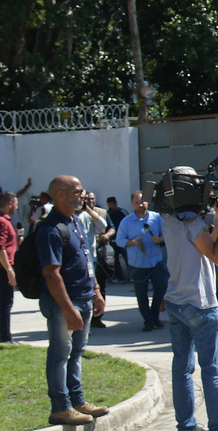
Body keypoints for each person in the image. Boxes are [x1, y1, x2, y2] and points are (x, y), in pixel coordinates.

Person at [159, 167, 218, 431]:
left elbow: (206, 240)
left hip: (176, 303)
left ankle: (186, 426)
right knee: (212, 371)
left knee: (181, 368)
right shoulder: (192, 224)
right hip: (201, 306)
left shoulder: (169, 220)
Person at [37, 175, 109, 426]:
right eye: (78, 192)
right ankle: (60, 407)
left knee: (76, 352)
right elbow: (51, 273)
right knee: (60, 354)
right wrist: (68, 309)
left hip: (84, 297)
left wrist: (96, 290)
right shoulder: (51, 229)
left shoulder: (76, 221)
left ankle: (77, 401)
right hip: (63, 303)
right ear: (60, 194)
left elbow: (86, 260)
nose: (83, 195)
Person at [115, 189, 168, 331]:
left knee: (161, 288)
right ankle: (149, 320)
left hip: (156, 261)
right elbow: (119, 240)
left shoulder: (156, 218)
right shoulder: (126, 221)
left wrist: (160, 239)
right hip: (138, 263)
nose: (140, 205)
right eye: (136, 202)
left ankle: (155, 314)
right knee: (141, 294)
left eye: (142, 201)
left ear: (147, 202)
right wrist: (132, 242)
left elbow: (167, 235)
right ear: (132, 204)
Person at [76, 192, 112, 329]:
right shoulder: (71, 217)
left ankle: (96, 318)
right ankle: (84, 320)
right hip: (78, 261)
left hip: (92, 259)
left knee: (98, 289)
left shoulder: (89, 215)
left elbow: (103, 225)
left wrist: (89, 210)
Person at [0, 191, 18, 343]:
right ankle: (5, 337)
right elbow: (0, 248)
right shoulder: (3, 221)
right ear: (10, 203)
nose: (17, 207)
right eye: (16, 204)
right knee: (5, 303)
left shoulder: (5, 220)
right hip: (3, 269)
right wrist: (9, 270)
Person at [106, 196, 128, 282]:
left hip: (123, 239)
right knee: (115, 260)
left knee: (127, 257)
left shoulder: (122, 212)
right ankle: (119, 277)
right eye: (110, 204)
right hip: (113, 239)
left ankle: (132, 276)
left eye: (113, 203)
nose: (112, 205)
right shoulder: (108, 214)